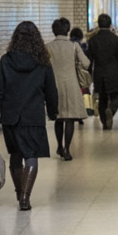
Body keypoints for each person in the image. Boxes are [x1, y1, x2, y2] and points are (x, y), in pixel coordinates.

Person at [0, 21, 59, 211]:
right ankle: (25, 198)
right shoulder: (43, 61)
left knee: (16, 155)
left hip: (11, 115)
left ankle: (19, 192)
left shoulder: (6, 60)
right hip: (32, 115)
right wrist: (53, 111)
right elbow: (51, 90)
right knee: (31, 155)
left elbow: (0, 91)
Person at [48, 17, 90, 161]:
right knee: (70, 119)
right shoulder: (74, 46)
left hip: (54, 86)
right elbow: (86, 64)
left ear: (54, 31)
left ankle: (59, 145)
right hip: (71, 85)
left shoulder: (48, 47)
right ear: (67, 30)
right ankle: (67, 149)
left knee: (58, 118)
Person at [86, 14, 118, 129]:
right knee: (117, 95)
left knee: (102, 98)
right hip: (114, 73)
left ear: (98, 25)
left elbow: (89, 59)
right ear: (110, 25)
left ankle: (105, 122)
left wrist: (88, 73)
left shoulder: (93, 40)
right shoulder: (116, 39)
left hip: (99, 73)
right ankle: (112, 110)